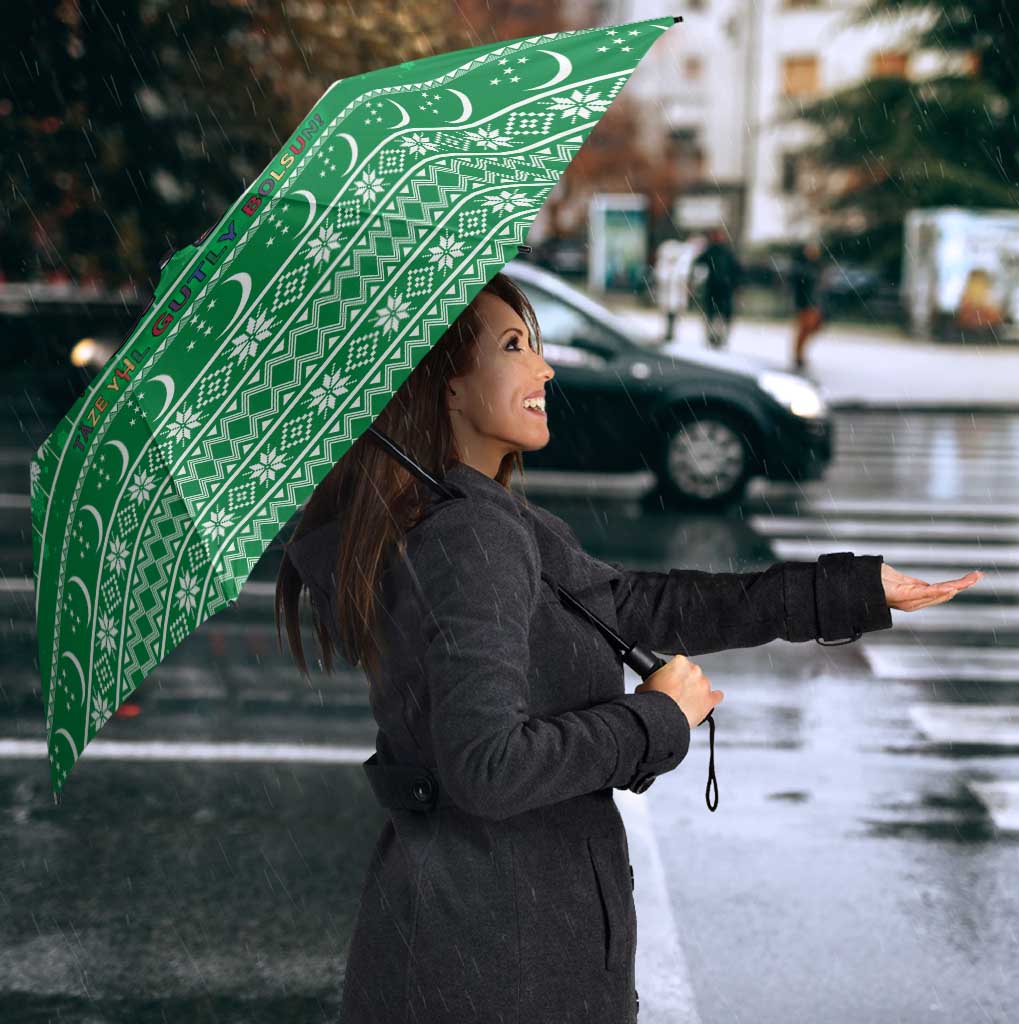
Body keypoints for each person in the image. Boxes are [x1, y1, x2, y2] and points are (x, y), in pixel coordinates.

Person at [275, 271, 972, 1024]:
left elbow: (639, 605)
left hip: (476, 941)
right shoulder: (470, 536)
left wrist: (849, 591)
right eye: (514, 347)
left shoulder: (470, 518)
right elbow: (488, 767)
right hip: (499, 962)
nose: (545, 368)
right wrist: (657, 719)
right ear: (447, 385)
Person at [692, 226, 742, 349]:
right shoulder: (714, 251)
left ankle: (719, 337)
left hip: (722, 289)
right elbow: (698, 263)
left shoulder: (724, 252)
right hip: (716, 288)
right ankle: (713, 337)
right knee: (714, 314)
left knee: (719, 315)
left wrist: (735, 284)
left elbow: (736, 270)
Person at [790, 239, 826, 370]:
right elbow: (799, 286)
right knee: (804, 329)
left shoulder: (816, 266)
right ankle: (798, 355)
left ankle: (799, 354)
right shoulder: (802, 267)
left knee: (812, 327)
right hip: (805, 303)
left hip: (814, 303)